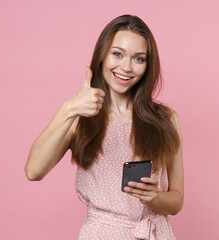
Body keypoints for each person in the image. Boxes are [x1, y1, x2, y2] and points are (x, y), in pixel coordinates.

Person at [25, 14, 183, 240]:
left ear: (148, 65)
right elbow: (33, 171)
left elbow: (176, 201)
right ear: (102, 55)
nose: (126, 67)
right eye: (117, 54)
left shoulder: (166, 119)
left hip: (156, 233)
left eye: (138, 59)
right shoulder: (80, 117)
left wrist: (154, 197)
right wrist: (69, 108)